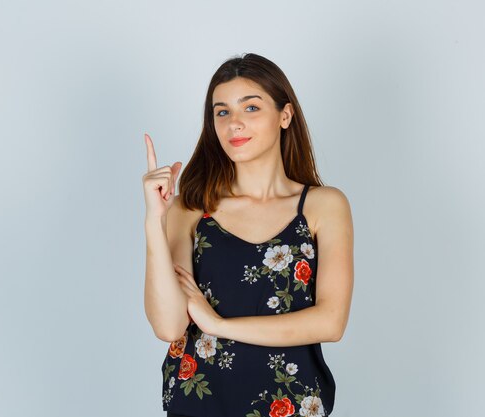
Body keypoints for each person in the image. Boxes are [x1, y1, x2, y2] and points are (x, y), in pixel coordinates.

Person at [142, 52, 354, 417]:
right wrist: (154, 222)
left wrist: (219, 325)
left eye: (250, 108)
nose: (234, 124)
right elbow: (168, 325)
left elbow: (330, 322)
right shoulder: (191, 208)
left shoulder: (323, 206)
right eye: (222, 112)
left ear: (284, 115)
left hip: (293, 406)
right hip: (200, 405)